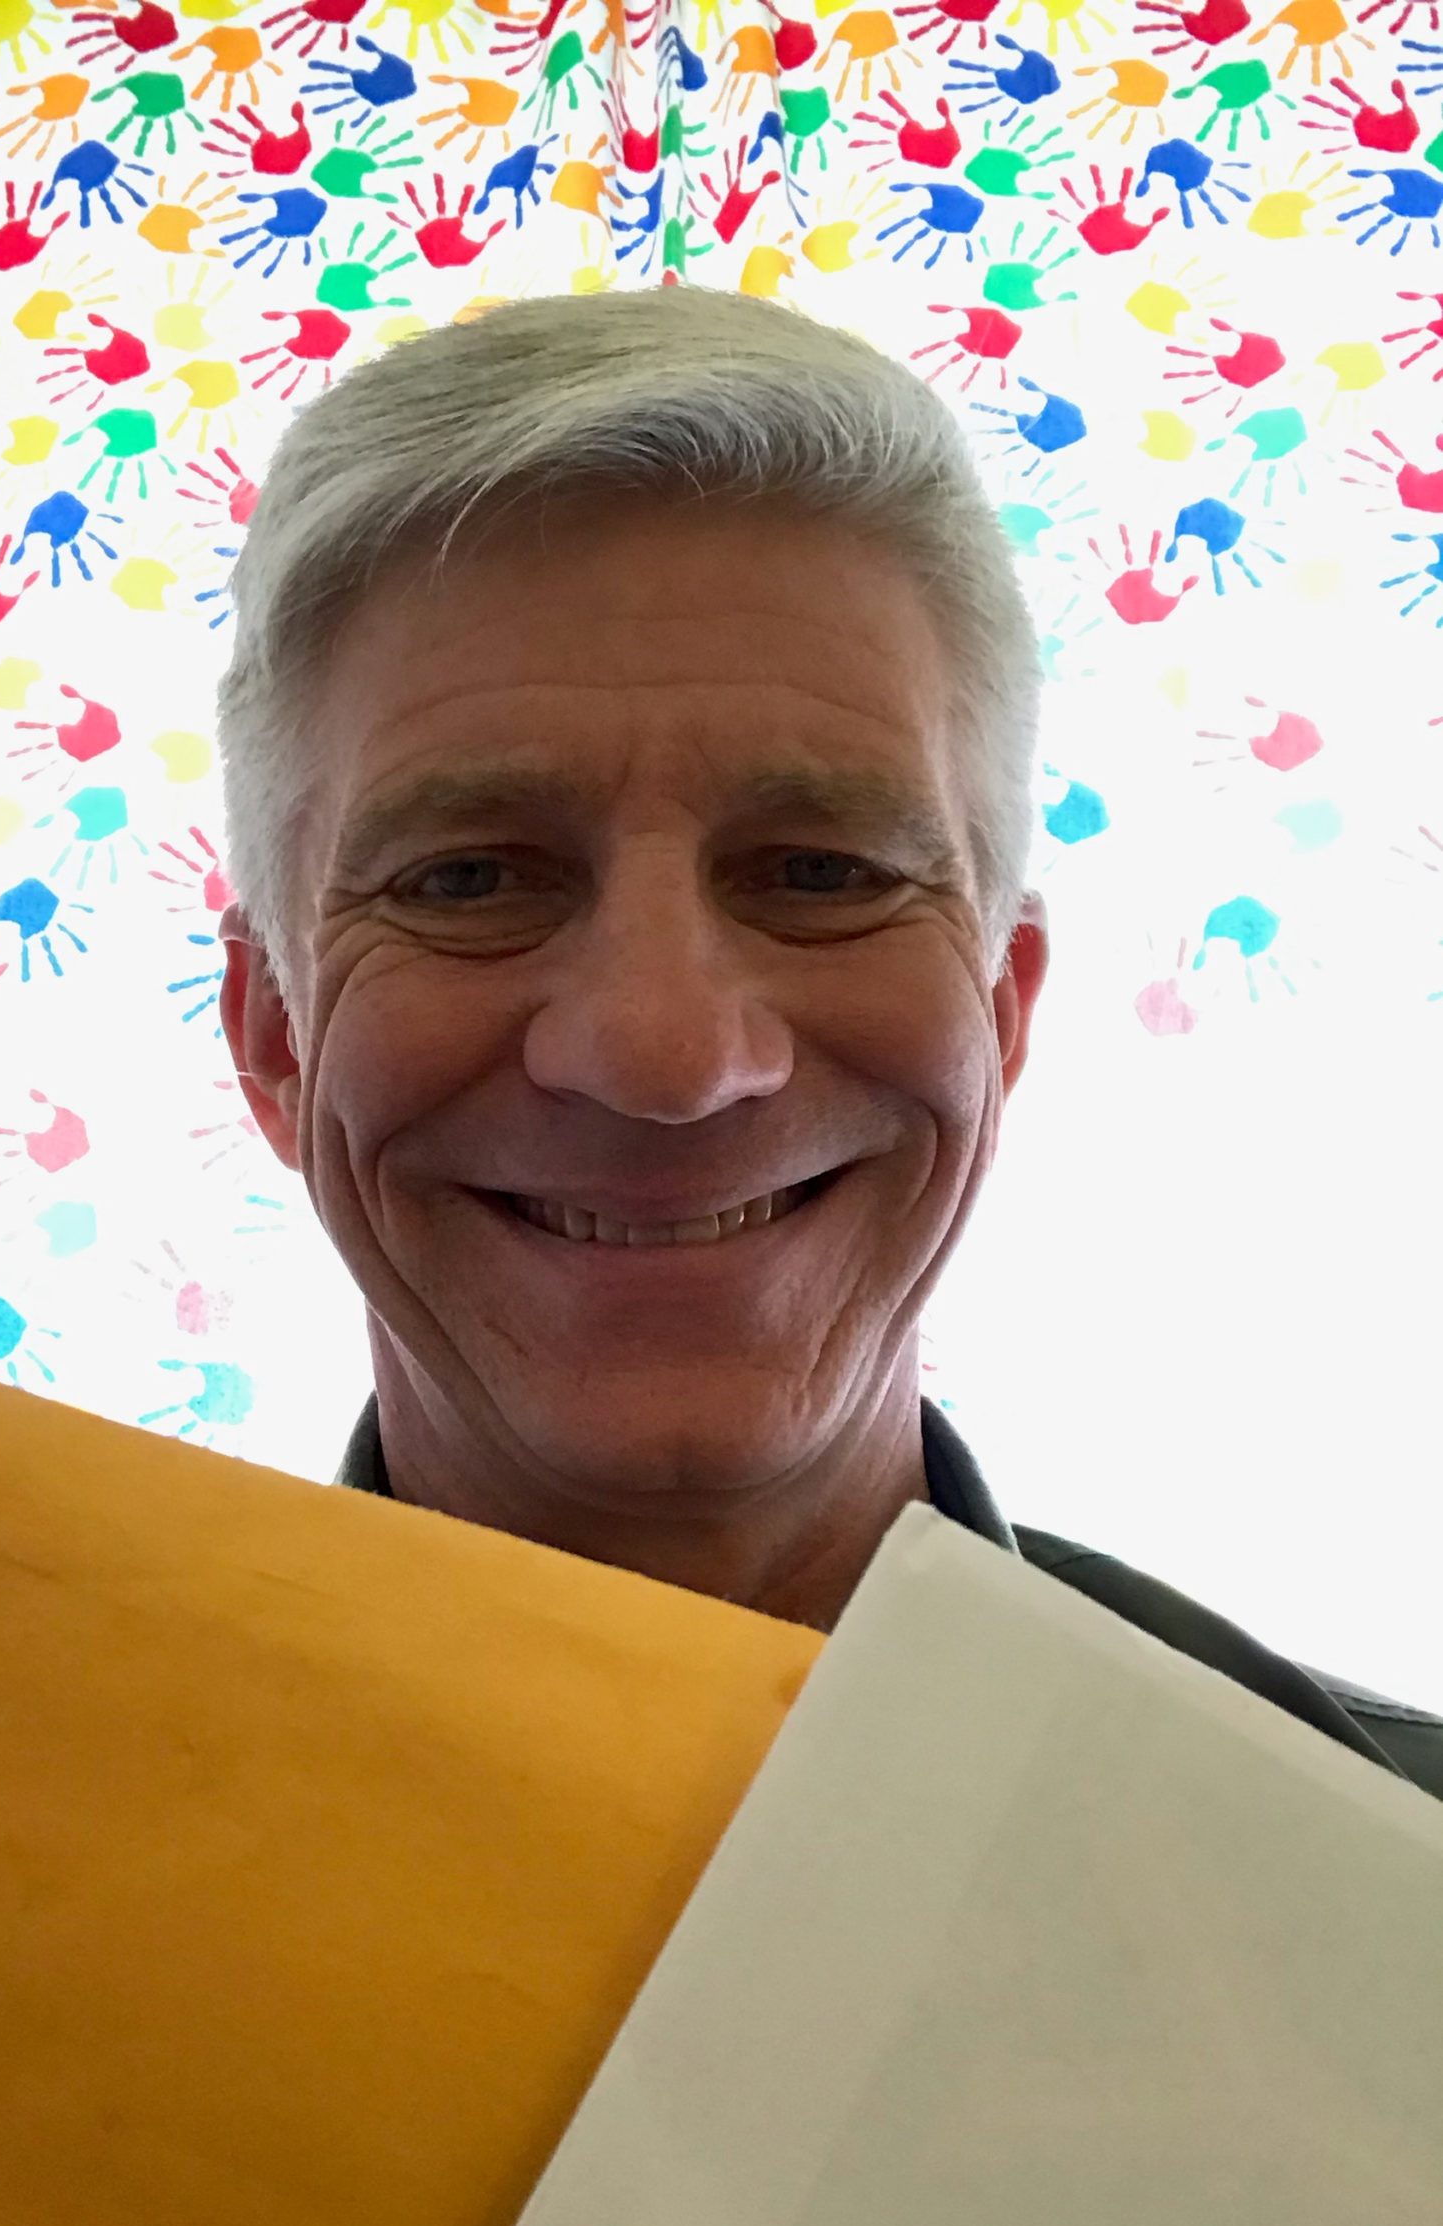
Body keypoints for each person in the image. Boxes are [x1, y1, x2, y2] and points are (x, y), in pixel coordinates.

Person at [214, 286, 1440, 1802]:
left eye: (821, 873)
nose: (667, 1058)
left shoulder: (1400, 1876)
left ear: (1002, 1007)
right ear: (272, 1033)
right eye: (467, 880)